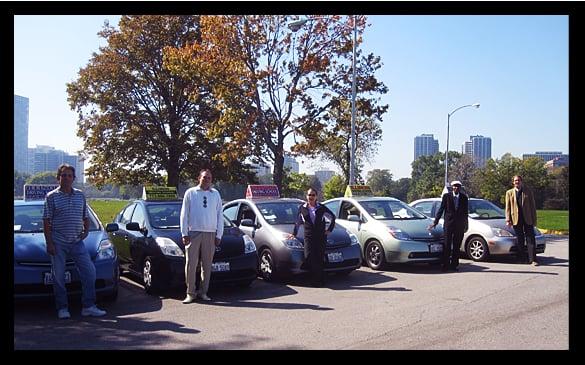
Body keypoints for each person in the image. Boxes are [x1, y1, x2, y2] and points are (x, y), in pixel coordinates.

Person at [43, 164, 107, 319]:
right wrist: (49, 243)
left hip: (77, 242)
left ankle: (89, 306)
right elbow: (46, 221)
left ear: (73, 178)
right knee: (58, 277)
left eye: (69, 175)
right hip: (58, 242)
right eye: (63, 175)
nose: (66, 178)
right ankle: (62, 308)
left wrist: (85, 231)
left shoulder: (80, 195)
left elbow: (85, 216)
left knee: (90, 272)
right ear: (58, 178)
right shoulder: (51, 197)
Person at [180, 169, 223, 303]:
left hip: (210, 233)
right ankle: (190, 293)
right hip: (193, 233)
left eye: (209, 178)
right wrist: (184, 233)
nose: (207, 180)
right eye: (204, 177)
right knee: (191, 265)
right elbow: (184, 215)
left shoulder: (215, 194)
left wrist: (219, 235)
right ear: (199, 178)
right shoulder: (191, 193)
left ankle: (203, 292)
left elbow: (219, 215)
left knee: (207, 265)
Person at [290, 187, 336, 287]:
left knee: (319, 258)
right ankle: (315, 278)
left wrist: (329, 230)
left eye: (313, 195)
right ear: (306, 196)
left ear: (316, 197)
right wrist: (294, 234)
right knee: (309, 256)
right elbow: (298, 222)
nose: (311, 197)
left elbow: (332, 217)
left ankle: (319, 280)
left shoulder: (321, 208)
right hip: (309, 237)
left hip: (320, 237)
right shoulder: (302, 208)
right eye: (309, 195)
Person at [428, 180, 469, 272]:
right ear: (452, 187)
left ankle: (454, 265)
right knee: (447, 245)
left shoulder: (464, 198)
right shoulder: (447, 197)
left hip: (459, 225)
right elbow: (441, 209)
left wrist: (466, 224)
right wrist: (435, 222)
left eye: (458, 186)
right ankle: (445, 265)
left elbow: (466, 212)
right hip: (449, 224)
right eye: (454, 186)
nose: (456, 188)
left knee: (456, 246)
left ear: (460, 188)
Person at [505, 175, 538, 266]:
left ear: (521, 181)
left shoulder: (528, 191)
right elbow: (507, 207)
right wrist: (508, 219)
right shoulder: (509, 193)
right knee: (520, 239)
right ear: (513, 182)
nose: (517, 182)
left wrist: (534, 220)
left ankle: (533, 260)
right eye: (515, 180)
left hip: (527, 218)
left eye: (518, 180)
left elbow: (533, 206)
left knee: (530, 239)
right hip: (516, 219)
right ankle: (521, 259)